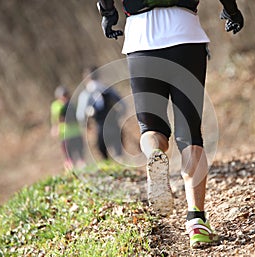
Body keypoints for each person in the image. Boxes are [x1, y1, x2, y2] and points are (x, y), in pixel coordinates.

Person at [97, 0, 244, 248]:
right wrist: (231, 10)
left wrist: (108, 13)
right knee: (190, 134)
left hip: (140, 40)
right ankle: (196, 220)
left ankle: (155, 155)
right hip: (186, 35)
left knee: (151, 129)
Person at [76, 67, 126, 159]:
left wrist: (86, 125)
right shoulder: (108, 89)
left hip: (100, 126)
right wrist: (119, 116)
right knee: (119, 154)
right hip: (114, 124)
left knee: (104, 155)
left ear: (86, 78)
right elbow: (123, 104)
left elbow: (80, 115)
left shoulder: (85, 94)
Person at [50, 86, 86, 170]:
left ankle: (82, 167)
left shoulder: (73, 103)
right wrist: (55, 128)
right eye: (63, 96)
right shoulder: (56, 106)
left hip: (76, 132)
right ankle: (70, 170)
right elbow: (55, 119)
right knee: (68, 155)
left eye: (66, 95)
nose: (64, 98)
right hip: (65, 134)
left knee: (80, 152)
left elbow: (79, 115)